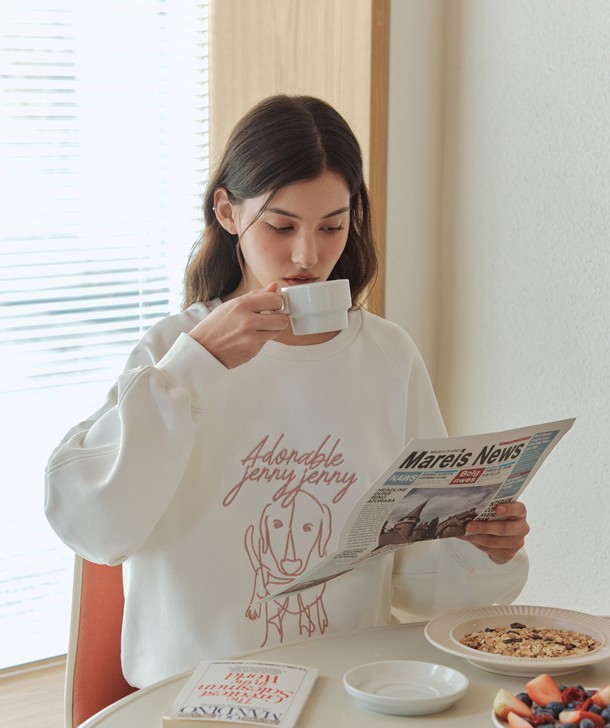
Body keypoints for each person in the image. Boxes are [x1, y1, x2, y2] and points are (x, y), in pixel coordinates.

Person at [45, 95, 529, 688]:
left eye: (332, 226)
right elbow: (91, 524)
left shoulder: (387, 354)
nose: (308, 255)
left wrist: (484, 548)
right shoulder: (175, 349)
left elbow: (414, 578)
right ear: (228, 212)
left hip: (349, 690)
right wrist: (198, 363)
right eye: (281, 226)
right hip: (196, 697)